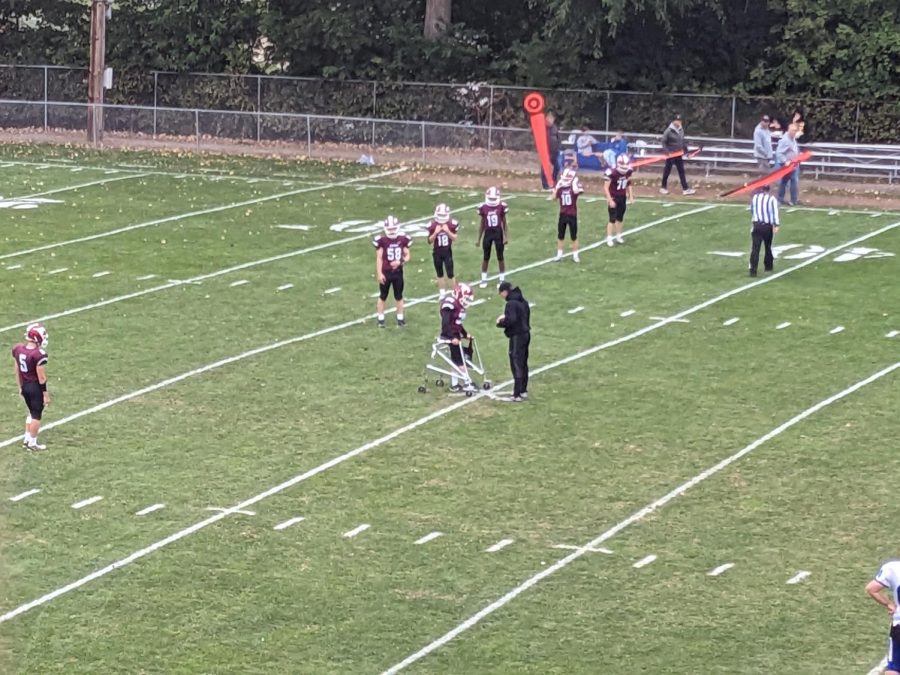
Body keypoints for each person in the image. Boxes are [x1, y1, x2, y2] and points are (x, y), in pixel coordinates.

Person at [12, 323, 50, 451]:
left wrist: (20, 386)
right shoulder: (38, 354)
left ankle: (27, 439)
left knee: (31, 412)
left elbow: (17, 369)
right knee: (36, 415)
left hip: (25, 385)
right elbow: (41, 377)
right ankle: (32, 443)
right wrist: (45, 394)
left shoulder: (18, 349)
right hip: (34, 387)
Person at [373, 215, 411, 328]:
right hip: (386, 272)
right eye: (389, 229)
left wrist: (400, 261)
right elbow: (379, 258)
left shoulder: (402, 239)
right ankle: (380, 318)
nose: (392, 231)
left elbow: (408, 255)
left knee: (399, 296)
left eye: (393, 228)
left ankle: (400, 318)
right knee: (383, 295)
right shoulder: (382, 241)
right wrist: (379, 273)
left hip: (398, 273)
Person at [496, 281, 530, 402]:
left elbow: (511, 320)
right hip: (526, 334)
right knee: (523, 362)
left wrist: (500, 323)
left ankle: (516, 394)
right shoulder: (523, 301)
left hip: (517, 336)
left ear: (505, 292)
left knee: (516, 363)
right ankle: (523, 389)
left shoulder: (511, 304)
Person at [866, 560, 900, 675]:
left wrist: (889, 604)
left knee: (894, 669)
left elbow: (871, 589)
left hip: (899, 625)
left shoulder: (892, 568)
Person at [439, 282, 475, 393]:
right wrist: (451, 337)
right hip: (449, 334)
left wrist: (464, 334)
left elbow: (457, 323)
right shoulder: (449, 304)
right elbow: (445, 323)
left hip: (455, 334)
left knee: (456, 359)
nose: (466, 300)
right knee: (459, 359)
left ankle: (455, 384)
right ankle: (466, 382)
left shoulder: (458, 305)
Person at [476, 186, 509, 289]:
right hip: (488, 233)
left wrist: (505, 236)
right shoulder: (483, 207)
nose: (493, 201)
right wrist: (478, 239)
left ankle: (502, 279)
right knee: (486, 257)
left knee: (500, 257)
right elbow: (482, 223)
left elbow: (504, 222)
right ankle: (483, 278)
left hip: (498, 233)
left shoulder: (501, 207)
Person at [427, 203, 459, 299]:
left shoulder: (451, 224)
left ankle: (455, 292)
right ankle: (442, 292)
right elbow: (429, 241)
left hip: (447, 251)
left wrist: (447, 231)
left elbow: (454, 238)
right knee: (439, 273)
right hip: (437, 251)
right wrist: (436, 233)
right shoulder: (432, 225)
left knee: (450, 273)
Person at [551, 167, 583, 262]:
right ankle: (559, 254)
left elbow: (580, 191)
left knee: (574, 236)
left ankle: (575, 255)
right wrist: (556, 188)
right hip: (563, 214)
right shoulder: (560, 188)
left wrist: (574, 184)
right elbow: (553, 198)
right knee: (561, 235)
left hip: (572, 214)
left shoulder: (573, 187)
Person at [603, 154, 635, 247]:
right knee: (612, 218)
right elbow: (605, 187)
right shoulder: (611, 172)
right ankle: (609, 237)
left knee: (620, 218)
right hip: (613, 197)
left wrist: (631, 196)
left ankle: (618, 235)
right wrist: (609, 199)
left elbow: (629, 183)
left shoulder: (628, 171)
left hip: (622, 196)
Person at [748, 184, 780, 277]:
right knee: (768, 246)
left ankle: (753, 270)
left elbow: (752, 210)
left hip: (756, 225)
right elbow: (775, 212)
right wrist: (776, 224)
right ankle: (768, 266)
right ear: (768, 190)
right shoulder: (772, 199)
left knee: (755, 248)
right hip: (767, 226)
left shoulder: (755, 198)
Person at [659, 114, 695, 195]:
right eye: (677, 120)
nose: (679, 122)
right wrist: (667, 152)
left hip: (679, 154)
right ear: (673, 121)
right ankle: (663, 187)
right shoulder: (668, 131)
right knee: (667, 171)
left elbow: (683, 142)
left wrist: (687, 153)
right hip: (671, 154)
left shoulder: (681, 130)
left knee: (681, 171)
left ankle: (685, 188)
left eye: (680, 120)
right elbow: (663, 142)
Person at [775, 123, 800, 206]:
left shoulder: (793, 139)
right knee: (793, 180)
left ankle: (783, 199)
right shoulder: (785, 140)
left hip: (793, 164)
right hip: (786, 165)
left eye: (795, 131)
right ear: (789, 130)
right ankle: (792, 200)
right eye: (793, 130)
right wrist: (785, 161)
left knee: (785, 181)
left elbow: (793, 150)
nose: (794, 132)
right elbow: (779, 153)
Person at [542, 112, 561, 189]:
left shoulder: (554, 128)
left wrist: (558, 147)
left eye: (552, 119)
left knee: (557, 166)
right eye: (549, 119)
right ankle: (545, 184)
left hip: (555, 151)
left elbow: (558, 138)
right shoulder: (542, 127)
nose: (550, 121)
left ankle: (553, 181)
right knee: (545, 168)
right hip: (546, 151)